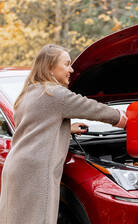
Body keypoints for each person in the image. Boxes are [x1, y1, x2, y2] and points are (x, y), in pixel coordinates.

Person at [0, 44, 127, 223]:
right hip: (36, 172)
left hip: (18, 167)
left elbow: (33, 127)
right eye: (66, 64)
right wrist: (125, 120)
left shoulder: (30, 92)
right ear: (51, 68)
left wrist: (66, 127)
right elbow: (91, 108)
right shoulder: (54, 94)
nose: (72, 69)